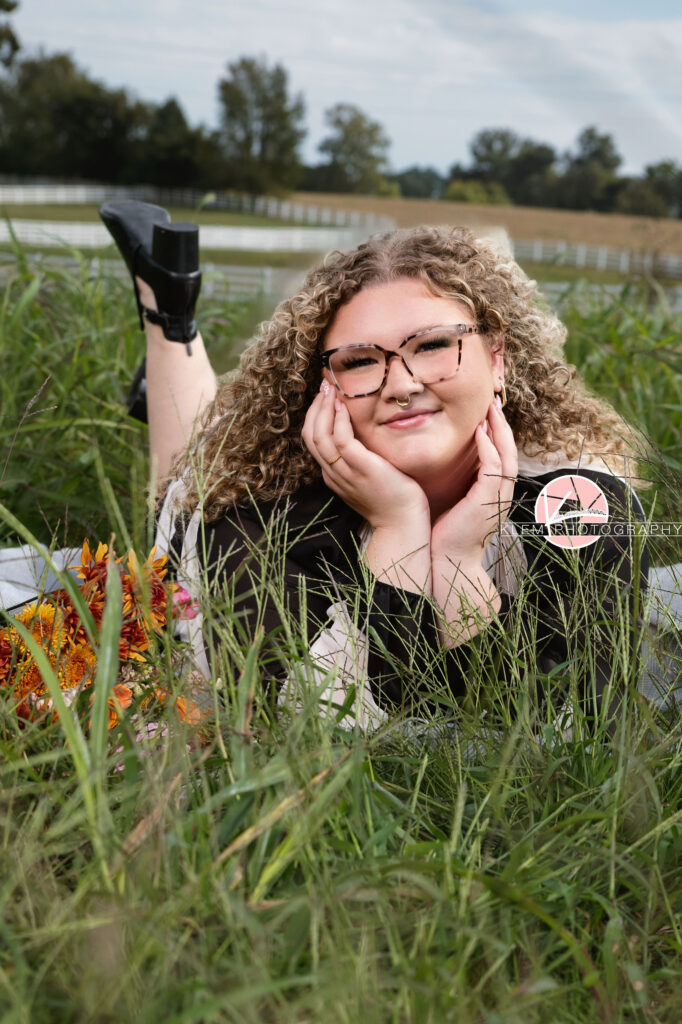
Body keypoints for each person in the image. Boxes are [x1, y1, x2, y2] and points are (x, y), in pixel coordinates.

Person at [98, 205, 673, 732]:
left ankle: (168, 327)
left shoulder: (579, 505)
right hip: (205, 515)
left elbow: (571, 725)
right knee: (186, 475)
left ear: (497, 358)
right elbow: (301, 728)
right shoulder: (253, 518)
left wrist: (456, 558)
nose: (401, 385)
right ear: (325, 388)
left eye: (432, 346)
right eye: (360, 361)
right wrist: (399, 527)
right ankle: (169, 317)